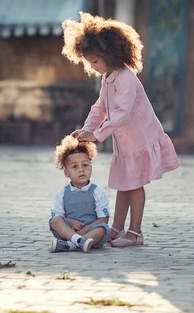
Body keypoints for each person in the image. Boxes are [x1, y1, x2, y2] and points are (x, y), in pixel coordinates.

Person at [62, 12, 180, 248]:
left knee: (134, 185)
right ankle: (116, 228)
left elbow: (121, 113)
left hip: (140, 140)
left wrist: (97, 135)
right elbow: (101, 107)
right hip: (125, 143)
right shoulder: (108, 77)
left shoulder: (126, 78)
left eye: (95, 61)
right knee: (123, 184)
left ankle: (135, 233)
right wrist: (87, 129)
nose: (92, 66)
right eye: (89, 62)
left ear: (111, 54)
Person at [49, 135, 111, 253]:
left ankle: (71, 245)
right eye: (75, 167)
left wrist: (84, 232)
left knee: (103, 228)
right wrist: (71, 222)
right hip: (68, 232)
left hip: (91, 233)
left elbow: (103, 219)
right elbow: (59, 216)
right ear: (66, 173)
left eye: (85, 165)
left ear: (91, 168)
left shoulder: (97, 192)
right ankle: (77, 241)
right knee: (54, 220)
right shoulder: (62, 194)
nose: (81, 170)